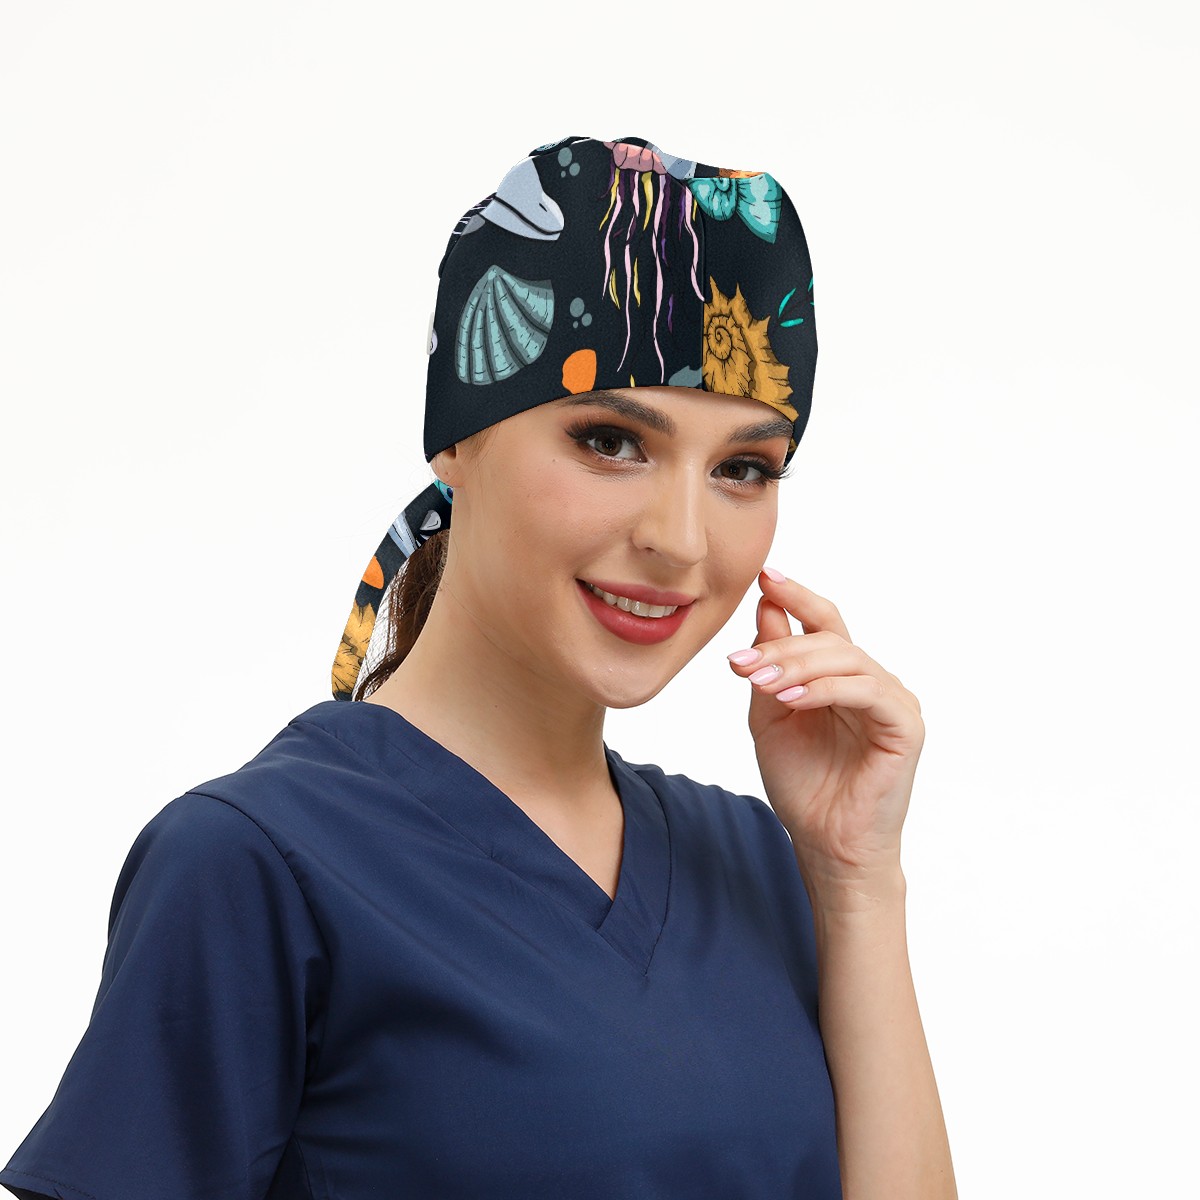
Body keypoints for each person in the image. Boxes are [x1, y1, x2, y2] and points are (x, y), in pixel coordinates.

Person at [0, 134, 957, 1199]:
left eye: (742, 468)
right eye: (610, 441)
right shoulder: (254, 865)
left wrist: (856, 879)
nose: (682, 540)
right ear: (458, 437)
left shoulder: (752, 860)